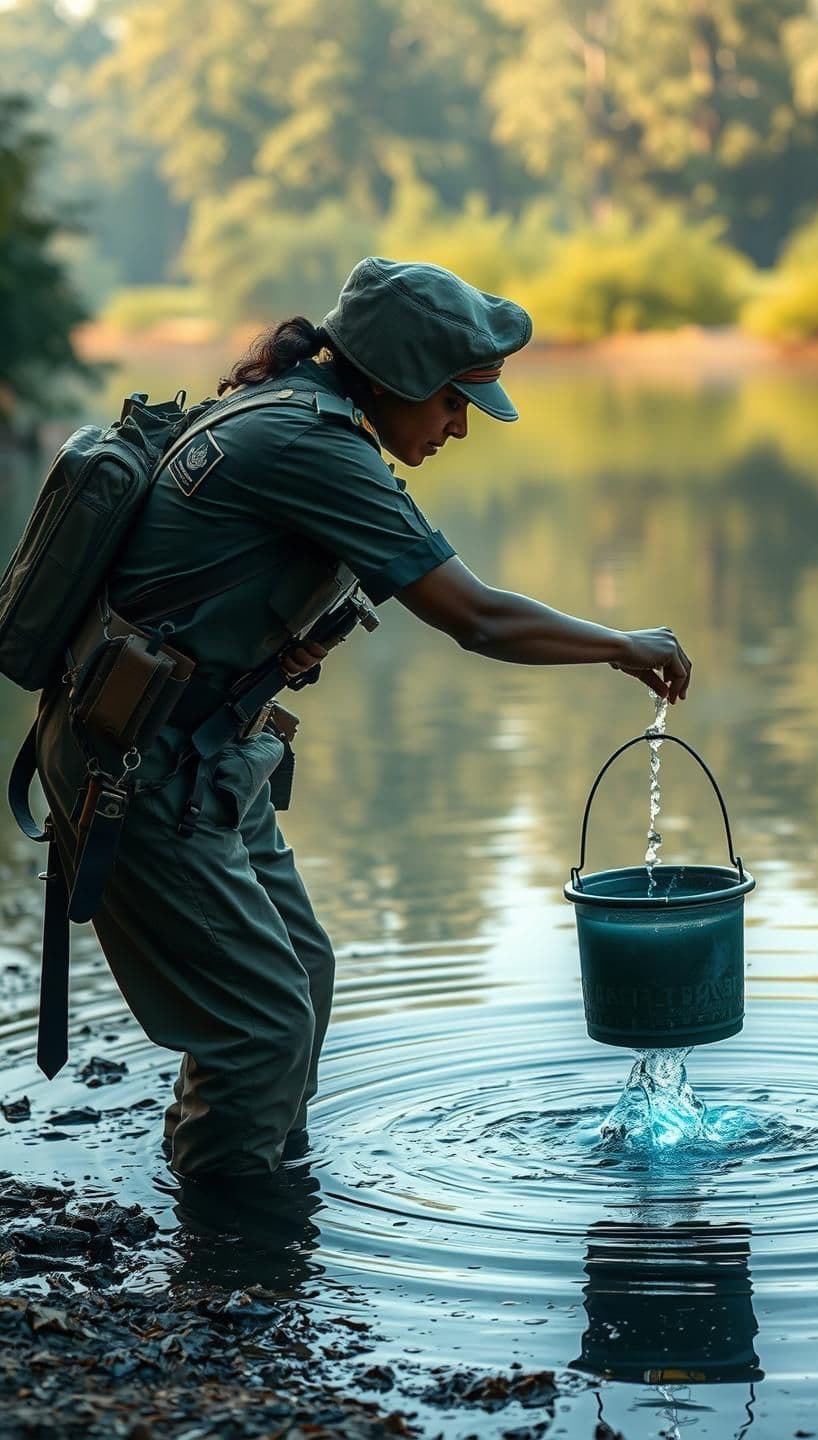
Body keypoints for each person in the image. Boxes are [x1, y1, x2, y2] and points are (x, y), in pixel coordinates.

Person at [36, 257, 691, 1179]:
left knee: (299, 975)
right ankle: (229, 1261)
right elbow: (477, 618)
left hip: (206, 755)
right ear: (396, 380)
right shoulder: (311, 445)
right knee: (261, 1027)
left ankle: (263, 1190)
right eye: (454, 404)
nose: (462, 427)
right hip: (135, 768)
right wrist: (622, 643)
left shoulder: (303, 418)